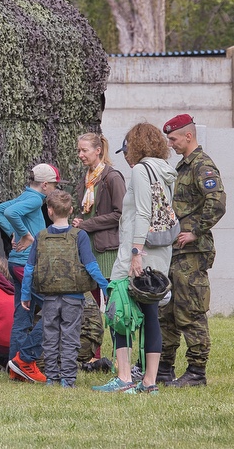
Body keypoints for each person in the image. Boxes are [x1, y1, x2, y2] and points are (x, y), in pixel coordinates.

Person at [94, 123, 176, 394]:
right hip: (160, 253)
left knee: (119, 312)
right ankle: (150, 381)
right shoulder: (164, 172)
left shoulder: (142, 171)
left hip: (137, 253)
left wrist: (135, 255)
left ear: (136, 146)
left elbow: (142, 214)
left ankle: (125, 376)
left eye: (126, 148)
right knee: (151, 314)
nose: (125, 155)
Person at [158, 113, 227, 387]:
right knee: (168, 311)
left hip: (193, 253)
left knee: (191, 311)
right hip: (176, 252)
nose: (171, 144)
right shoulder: (183, 166)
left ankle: (197, 372)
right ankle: (164, 368)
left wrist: (195, 230)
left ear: (189, 135)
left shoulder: (202, 165)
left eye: (173, 138)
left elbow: (217, 203)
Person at [20, 190, 108, 388]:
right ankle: (68, 378)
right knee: (70, 336)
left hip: (49, 297)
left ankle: (52, 377)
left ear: (49, 211)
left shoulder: (40, 237)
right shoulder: (80, 236)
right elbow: (91, 265)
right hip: (74, 297)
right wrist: (105, 286)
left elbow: (29, 269)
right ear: (70, 210)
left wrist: (26, 294)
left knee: (50, 336)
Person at [0, 163, 62, 383]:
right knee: (55, 309)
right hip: (27, 264)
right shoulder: (35, 199)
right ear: (44, 184)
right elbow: (10, 212)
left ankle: (15, 368)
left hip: (16, 263)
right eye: (54, 185)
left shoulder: (25, 195)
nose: (56, 190)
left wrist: (15, 233)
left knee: (23, 316)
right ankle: (25, 359)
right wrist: (25, 235)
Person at [71, 132, 125, 370]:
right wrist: (78, 220)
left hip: (107, 252)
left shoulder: (112, 177)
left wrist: (86, 224)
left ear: (98, 151)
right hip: (87, 250)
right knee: (90, 308)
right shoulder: (87, 178)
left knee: (112, 308)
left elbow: (119, 214)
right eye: (79, 151)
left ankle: (120, 360)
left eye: (84, 150)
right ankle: (94, 356)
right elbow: (87, 213)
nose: (80, 155)